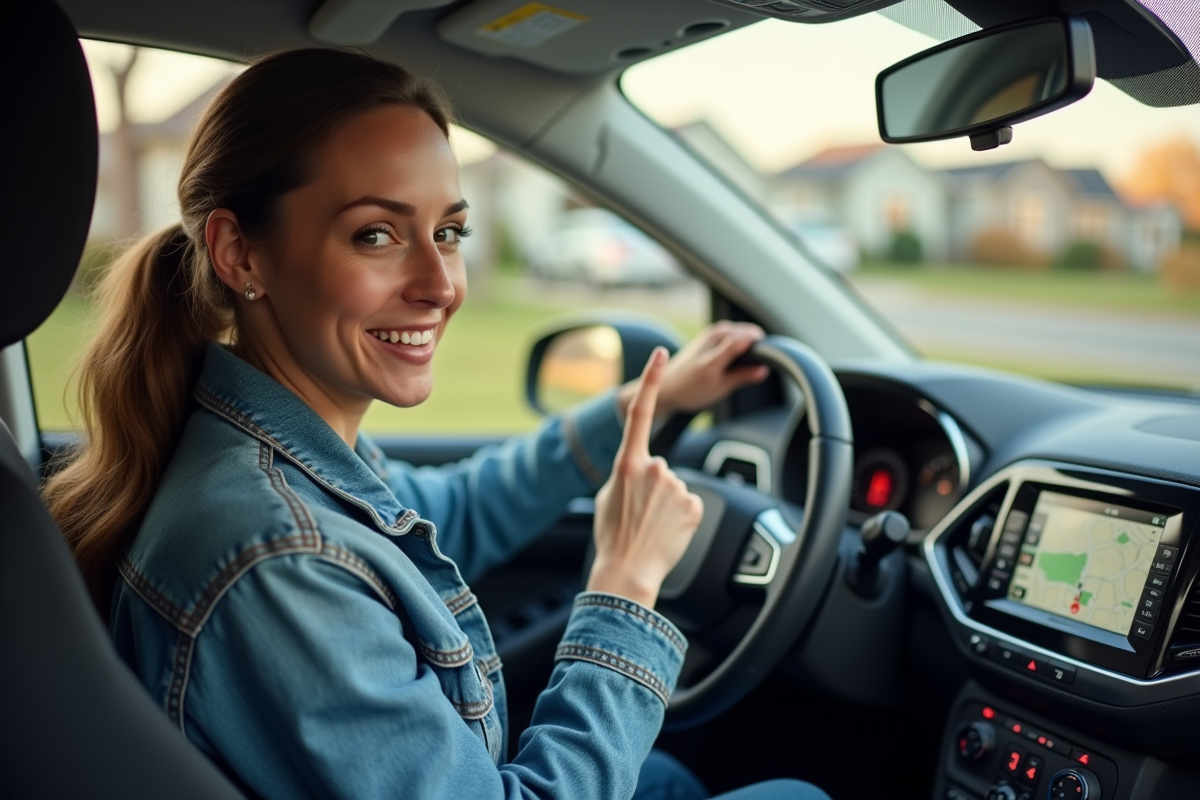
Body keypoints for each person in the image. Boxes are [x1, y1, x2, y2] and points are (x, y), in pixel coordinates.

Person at [45, 48, 831, 800]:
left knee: (669, 779)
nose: (440, 285)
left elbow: (458, 509)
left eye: (449, 232)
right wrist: (626, 582)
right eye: (376, 235)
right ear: (240, 255)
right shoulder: (279, 559)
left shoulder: (276, 456)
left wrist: (651, 404)